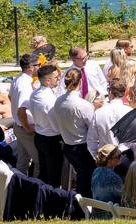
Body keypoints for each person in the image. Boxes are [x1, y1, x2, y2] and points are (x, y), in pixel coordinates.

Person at [52, 67, 97, 196]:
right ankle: (83, 206)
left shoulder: (58, 101)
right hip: (82, 148)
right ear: (80, 82)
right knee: (86, 180)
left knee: (82, 177)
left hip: (68, 146)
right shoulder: (82, 105)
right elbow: (92, 127)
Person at [29, 64, 63, 187]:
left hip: (39, 136)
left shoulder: (35, 94)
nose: (58, 79)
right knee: (54, 175)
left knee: (44, 172)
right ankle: (52, 202)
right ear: (48, 81)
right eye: (56, 77)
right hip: (51, 140)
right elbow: (55, 125)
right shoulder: (49, 100)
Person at [87, 79, 132, 162]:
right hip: (123, 155)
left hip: (108, 156)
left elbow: (91, 140)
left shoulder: (99, 113)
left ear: (110, 93)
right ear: (124, 93)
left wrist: (96, 157)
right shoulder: (130, 112)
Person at [9, 53, 38, 176]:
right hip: (26, 128)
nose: (40, 67)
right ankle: (37, 191)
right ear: (30, 67)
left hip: (19, 125)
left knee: (22, 161)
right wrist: (27, 127)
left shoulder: (18, 79)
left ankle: (20, 189)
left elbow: (10, 96)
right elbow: (21, 109)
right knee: (39, 162)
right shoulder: (25, 85)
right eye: (38, 65)